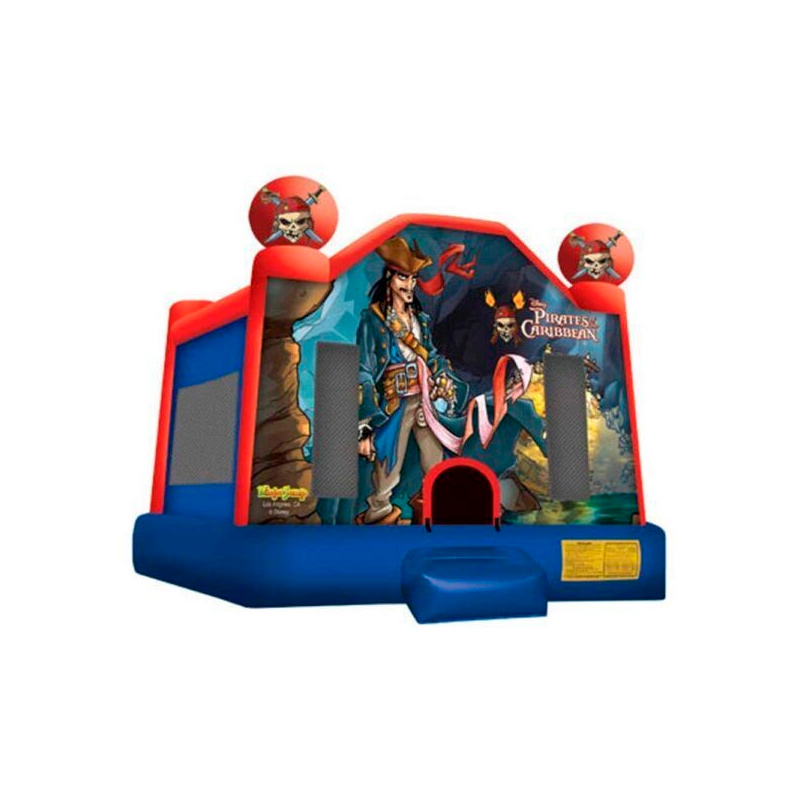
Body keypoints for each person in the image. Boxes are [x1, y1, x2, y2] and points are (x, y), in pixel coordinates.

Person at [356, 236, 466, 524]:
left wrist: (443, 376)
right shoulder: (374, 319)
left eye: (413, 278)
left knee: (435, 462)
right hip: (394, 402)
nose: (409, 285)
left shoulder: (420, 319)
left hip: (425, 400)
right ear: (389, 278)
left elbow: (431, 355)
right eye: (403, 277)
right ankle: (379, 516)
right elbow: (363, 368)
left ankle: (431, 515)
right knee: (387, 467)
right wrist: (364, 423)